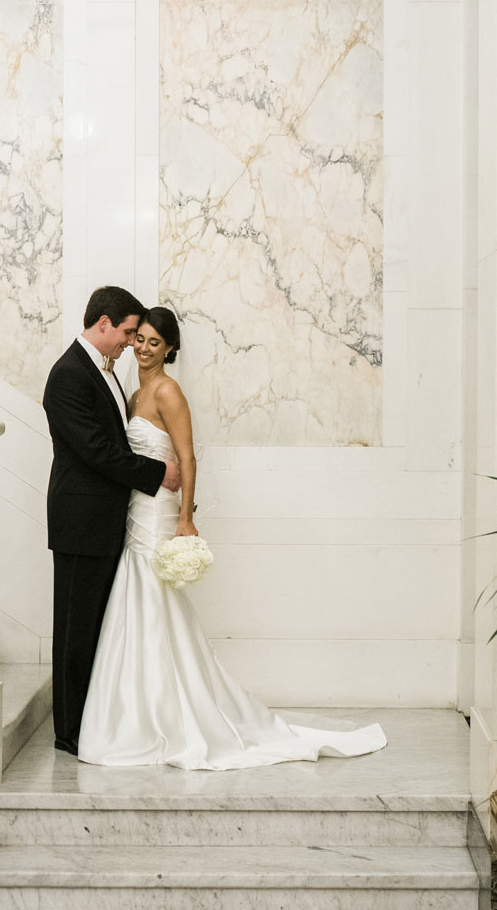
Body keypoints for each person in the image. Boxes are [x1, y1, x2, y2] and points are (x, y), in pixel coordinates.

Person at [76, 306, 387, 769]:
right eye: (138, 338)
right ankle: (140, 709)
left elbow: (188, 459)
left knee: (152, 594)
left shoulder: (168, 391)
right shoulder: (134, 390)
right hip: (134, 508)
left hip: (160, 514)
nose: (142, 348)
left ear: (170, 349)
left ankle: (170, 714)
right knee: (140, 600)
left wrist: (185, 519)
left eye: (153, 343)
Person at [42, 287, 180, 756]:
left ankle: (92, 720)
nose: (129, 343)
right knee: (74, 631)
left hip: (104, 522)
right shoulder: (67, 376)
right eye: (126, 333)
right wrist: (158, 474)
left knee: (96, 630)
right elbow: (98, 451)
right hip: (80, 523)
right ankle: (69, 733)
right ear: (103, 323)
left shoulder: (102, 372)